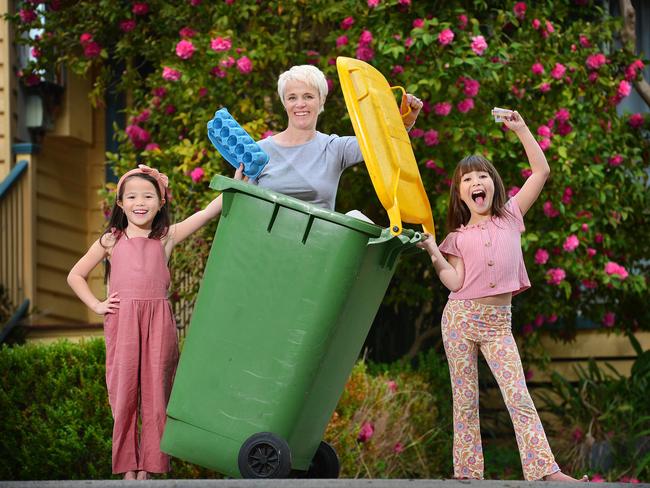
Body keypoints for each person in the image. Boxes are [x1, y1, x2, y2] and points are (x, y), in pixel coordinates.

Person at [416, 110, 587, 482]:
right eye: (468, 179)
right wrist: (433, 251)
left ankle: (545, 472)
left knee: (518, 396)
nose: (476, 182)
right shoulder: (457, 237)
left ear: (493, 185)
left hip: (498, 323)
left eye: (483, 176)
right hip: (460, 318)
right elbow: (454, 282)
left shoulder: (511, 216)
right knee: (464, 400)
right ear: (460, 193)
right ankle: (467, 474)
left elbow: (540, 172)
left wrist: (522, 128)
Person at [67, 163, 242, 480]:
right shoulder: (111, 240)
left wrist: (235, 183)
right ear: (120, 203)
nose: (140, 202)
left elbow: (204, 214)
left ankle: (150, 467)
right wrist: (97, 304)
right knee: (123, 393)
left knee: (157, 394)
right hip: (123, 322)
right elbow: (75, 274)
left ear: (161, 202)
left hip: (158, 322)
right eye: (132, 196)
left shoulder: (166, 237)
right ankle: (128, 468)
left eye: (148, 196)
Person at [253, 64, 422, 210]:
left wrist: (405, 122)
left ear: (321, 100)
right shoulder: (259, 150)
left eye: (308, 96)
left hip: (319, 244)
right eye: (292, 98)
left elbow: (381, 143)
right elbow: (239, 204)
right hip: (266, 244)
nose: (300, 104)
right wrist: (237, 185)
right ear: (284, 103)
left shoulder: (334, 148)